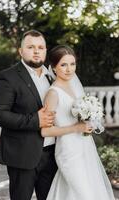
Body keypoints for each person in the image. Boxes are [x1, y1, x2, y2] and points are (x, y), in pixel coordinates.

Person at [0, 30, 92, 200]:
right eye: (30, 47)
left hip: (54, 155)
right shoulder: (8, 77)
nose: (36, 51)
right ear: (21, 51)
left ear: (46, 51)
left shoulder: (54, 77)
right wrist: (35, 120)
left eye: (40, 47)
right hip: (23, 156)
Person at [41, 45, 115, 200]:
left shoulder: (74, 86)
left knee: (89, 190)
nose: (69, 69)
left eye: (72, 64)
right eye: (63, 65)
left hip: (84, 146)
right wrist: (75, 128)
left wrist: (86, 126)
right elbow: (45, 131)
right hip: (68, 150)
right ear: (54, 68)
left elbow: (80, 119)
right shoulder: (53, 93)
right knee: (84, 194)